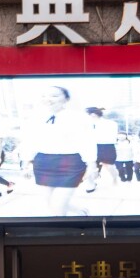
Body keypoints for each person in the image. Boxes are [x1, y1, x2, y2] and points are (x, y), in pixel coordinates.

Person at [24, 85, 90, 217]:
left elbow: (87, 141)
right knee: (49, 201)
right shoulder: (34, 117)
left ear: (66, 99)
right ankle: (80, 211)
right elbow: (29, 141)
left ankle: (64, 234)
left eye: (54, 96)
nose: (48, 99)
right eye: (44, 96)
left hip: (70, 163)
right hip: (43, 162)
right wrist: (26, 163)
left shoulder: (78, 117)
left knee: (58, 205)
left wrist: (91, 164)